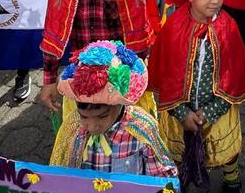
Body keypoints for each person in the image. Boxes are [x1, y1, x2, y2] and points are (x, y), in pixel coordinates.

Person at [150, 0, 245, 193]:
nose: (216, 1)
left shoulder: (228, 27)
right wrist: (183, 113)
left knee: (227, 152)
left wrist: (209, 112)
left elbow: (234, 77)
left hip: (218, 108)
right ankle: (179, 180)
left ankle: (232, 184)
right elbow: (166, 74)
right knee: (178, 151)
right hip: (180, 110)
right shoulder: (173, 26)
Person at [49, 40, 177, 178]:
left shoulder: (141, 129)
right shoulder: (73, 128)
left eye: (102, 116)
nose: (92, 126)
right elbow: (62, 169)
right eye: (84, 116)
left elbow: (161, 176)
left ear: (119, 103)